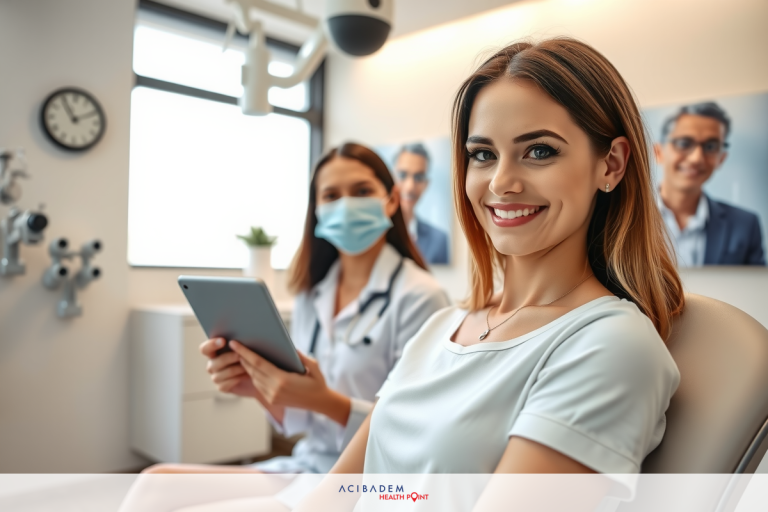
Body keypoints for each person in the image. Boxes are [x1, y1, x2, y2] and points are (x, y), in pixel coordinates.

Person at [293, 38, 685, 511]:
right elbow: (334, 497)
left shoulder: (611, 344)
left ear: (612, 163)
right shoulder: (441, 329)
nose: (501, 182)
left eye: (539, 151)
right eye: (482, 154)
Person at [119, 142, 450, 512]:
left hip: (378, 480)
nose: (346, 205)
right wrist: (260, 387)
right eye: (331, 196)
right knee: (155, 483)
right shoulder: (313, 292)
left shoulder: (422, 298)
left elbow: (415, 435)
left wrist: (326, 401)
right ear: (318, 211)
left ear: (390, 201)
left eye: (361, 192)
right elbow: (300, 421)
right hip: (310, 465)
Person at [654, 102, 765, 266]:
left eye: (711, 146)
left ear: (721, 158)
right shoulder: (621, 216)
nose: (697, 158)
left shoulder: (745, 225)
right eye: (684, 143)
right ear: (659, 152)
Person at [393, 143, 450, 264]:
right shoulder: (375, 236)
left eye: (418, 177)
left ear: (426, 184)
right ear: (391, 178)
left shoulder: (440, 240)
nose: (410, 187)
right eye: (402, 175)